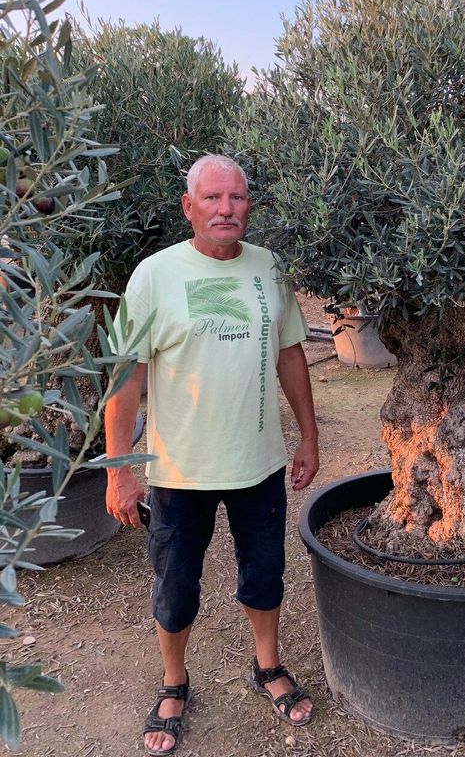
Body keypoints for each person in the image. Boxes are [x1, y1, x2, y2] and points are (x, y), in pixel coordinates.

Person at [104, 154, 320, 756]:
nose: (226, 209)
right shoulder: (154, 275)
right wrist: (119, 470)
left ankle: (268, 666)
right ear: (189, 207)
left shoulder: (272, 268)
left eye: (237, 198)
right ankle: (174, 681)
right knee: (175, 586)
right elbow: (125, 378)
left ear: (249, 204)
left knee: (265, 575)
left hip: (259, 464)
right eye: (213, 199)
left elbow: (291, 355)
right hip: (177, 470)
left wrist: (309, 435)